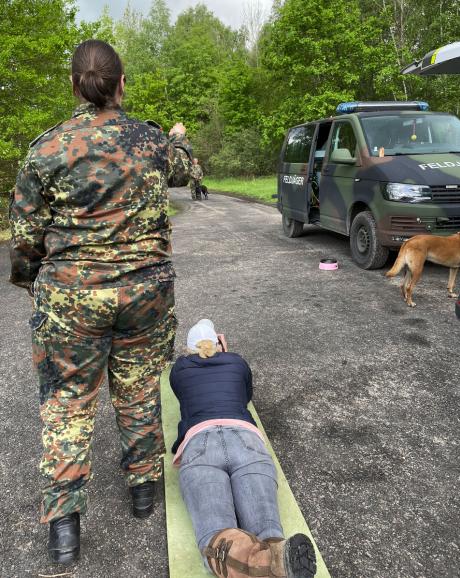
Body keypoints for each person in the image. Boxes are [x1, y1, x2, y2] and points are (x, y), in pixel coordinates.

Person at [9, 39, 192, 565]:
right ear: (121, 83)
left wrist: (34, 286)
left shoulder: (46, 150)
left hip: (72, 297)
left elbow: (25, 240)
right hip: (146, 291)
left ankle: (64, 533)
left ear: (74, 85)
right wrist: (178, 138)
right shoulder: (151, 142)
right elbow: (183, 172)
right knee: (137, 390)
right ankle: (143, 492)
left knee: (67, 403)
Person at [169, 319, 317, 578]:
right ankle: (274, 556)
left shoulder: (180, 368)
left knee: (217, 536)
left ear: (189, 349)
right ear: (220, 344)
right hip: (245, 440)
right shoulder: (237, 362)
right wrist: (226, 351)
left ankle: (241, 562)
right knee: (267, 527)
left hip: (200, 442)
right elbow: (245, 396)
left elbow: (183, 395)